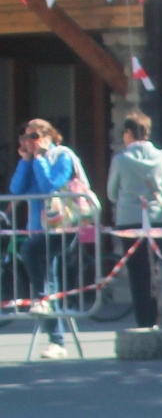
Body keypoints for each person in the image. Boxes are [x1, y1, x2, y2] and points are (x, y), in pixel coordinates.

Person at [10, 119, 84, 359]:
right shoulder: (32, 161)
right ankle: (57, 340)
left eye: (34, 136)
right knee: (47, 282)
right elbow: (16, 190)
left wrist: (40, 158)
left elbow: (50, 185)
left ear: (48, 136)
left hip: (62, 228)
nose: (29, 141)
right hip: (38, 228)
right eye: (26, 136)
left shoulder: (62, 156)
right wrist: (25, 161)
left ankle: (46, 310)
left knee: (32, 256)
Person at [106, 111, 162, 331]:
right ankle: (156, 317)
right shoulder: (161, 156)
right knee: (154, 270)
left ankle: (143, 320)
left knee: (136, 272)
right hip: (155, 218)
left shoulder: (121, 159)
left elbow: (111, 193)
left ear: (128, 132)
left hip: (129, 219)